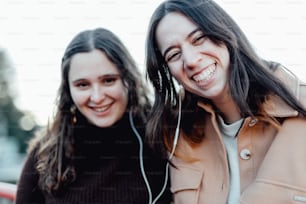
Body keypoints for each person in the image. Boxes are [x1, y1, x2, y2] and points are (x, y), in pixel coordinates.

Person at [144, 0, 306, 203]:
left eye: (199, 38)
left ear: (224, 32)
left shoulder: (300, 110)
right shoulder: (177, 135)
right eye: (174, 54)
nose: (191, 60)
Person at [15, 28, 172, 204]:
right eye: (83, 85)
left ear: (128, 79)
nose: (97, 97)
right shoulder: (47, 151)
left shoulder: (161, 136)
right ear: (69, 90)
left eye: (108, 80)